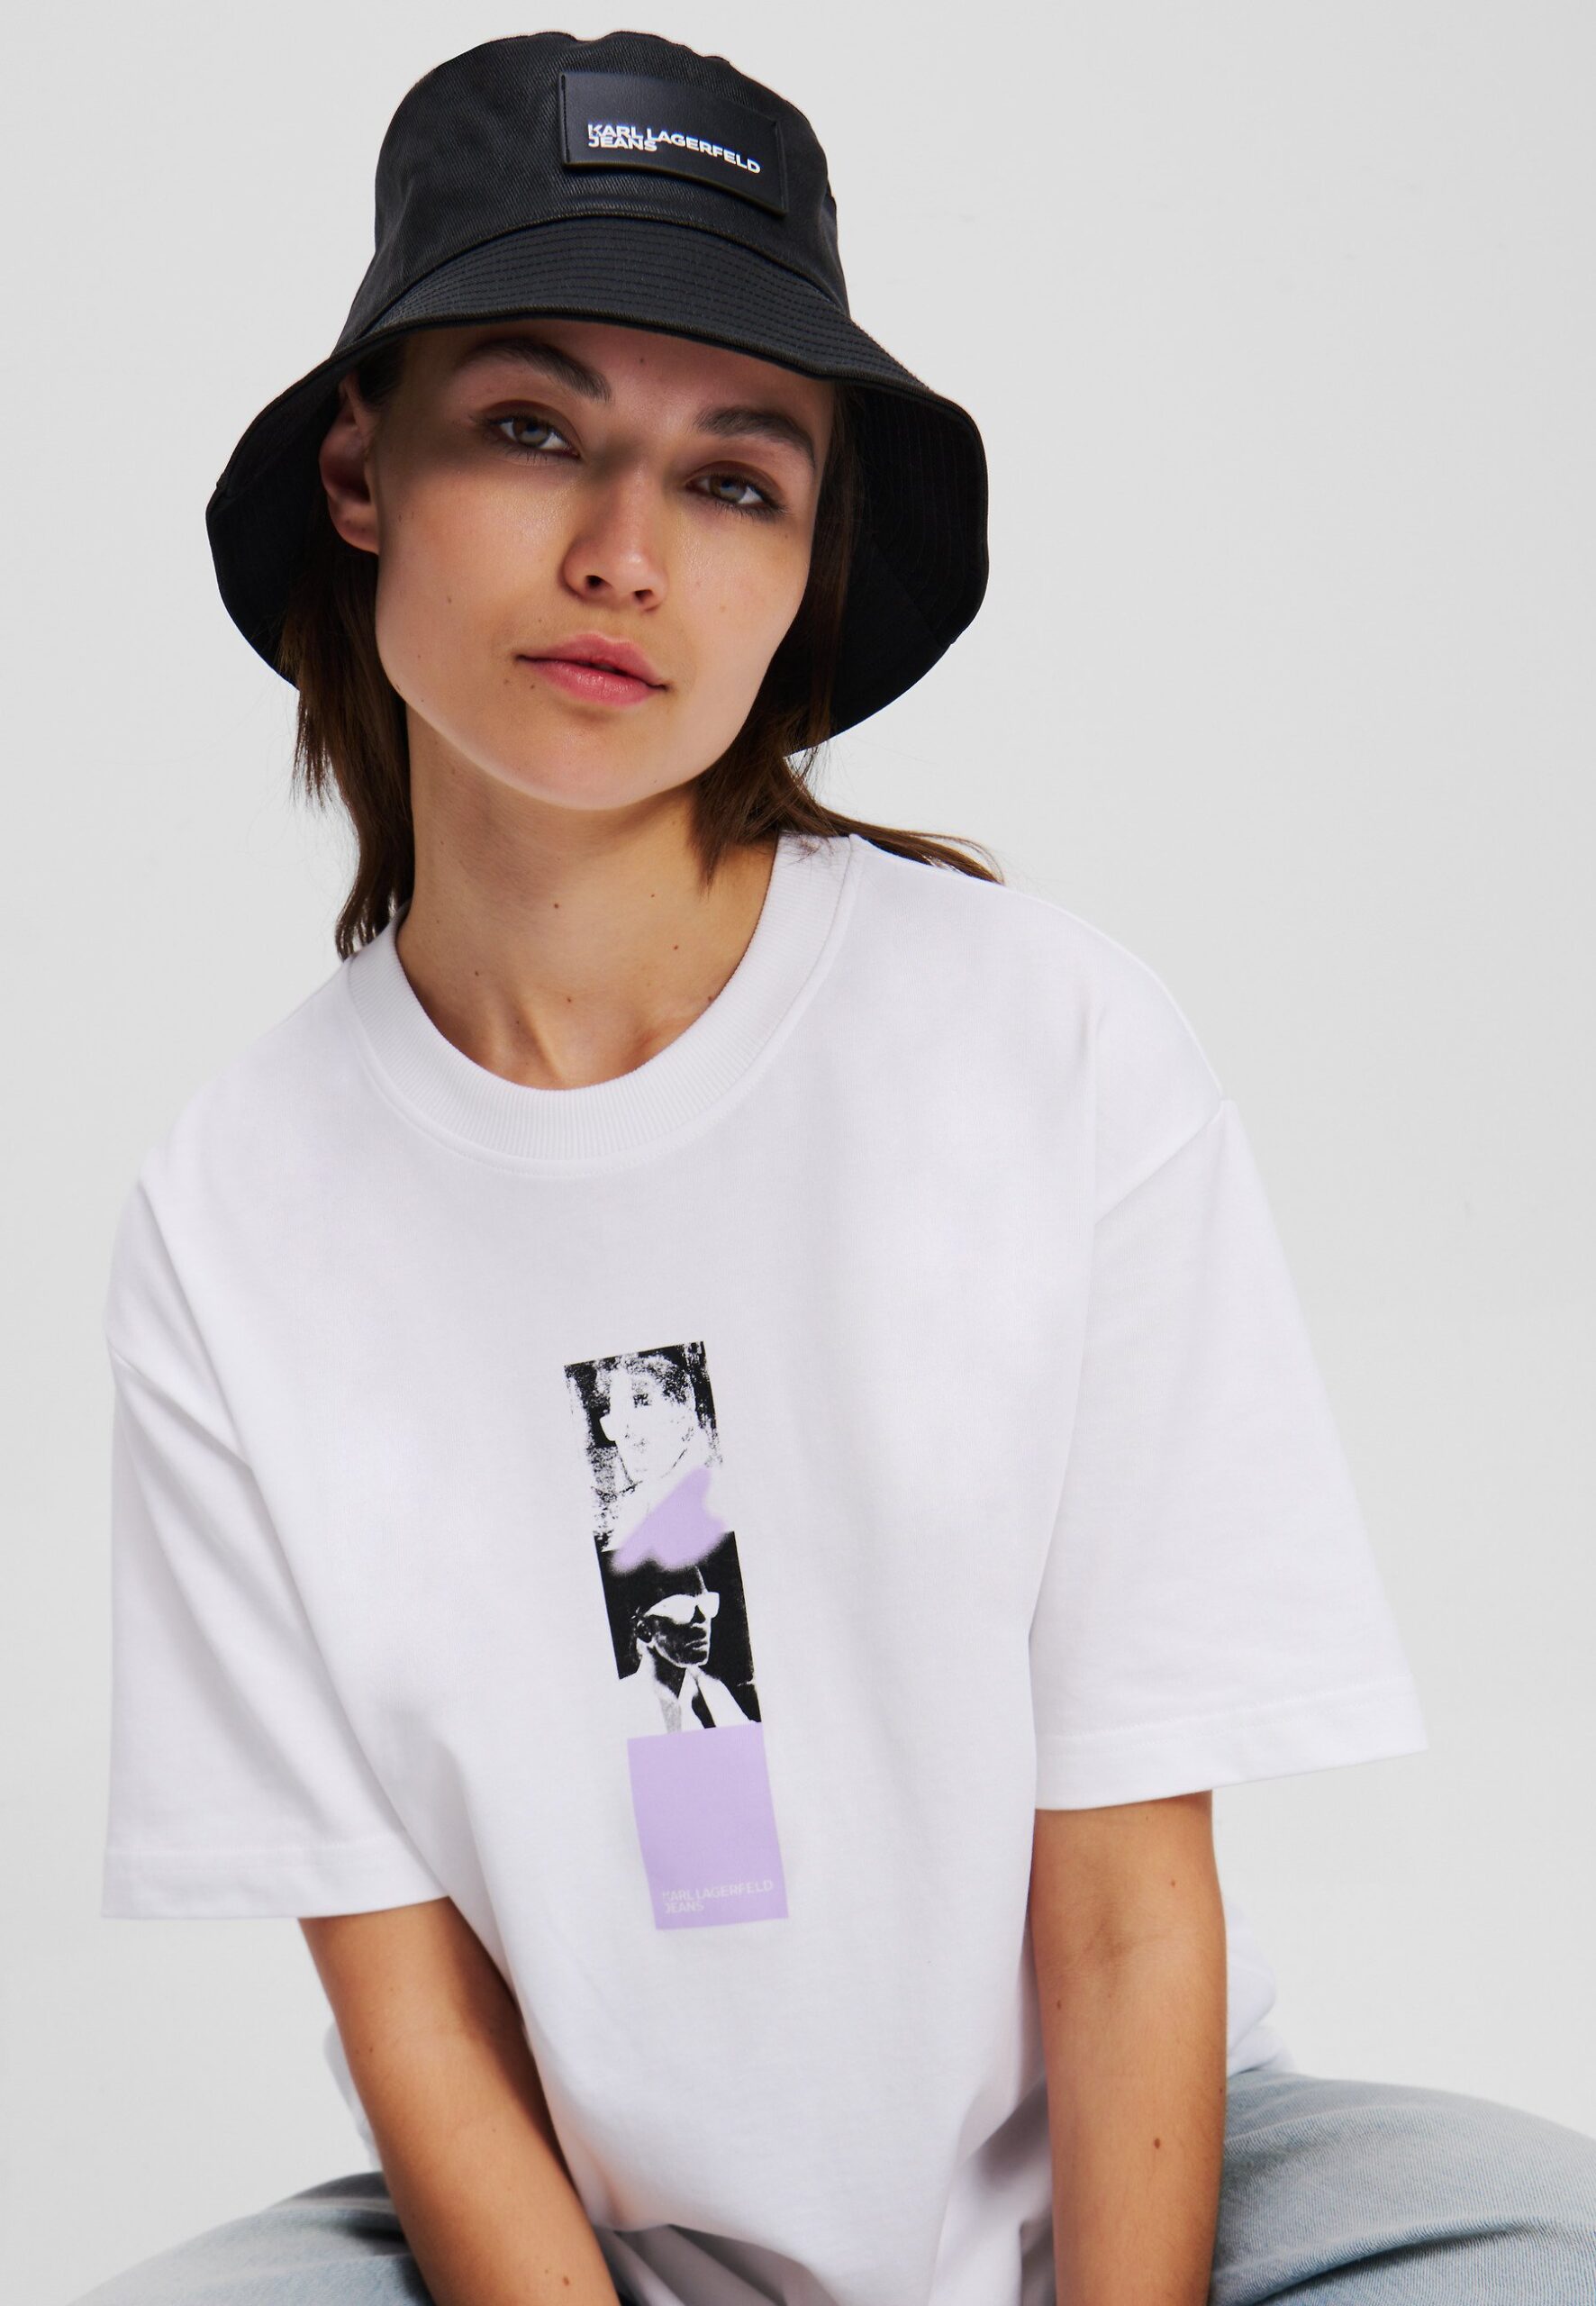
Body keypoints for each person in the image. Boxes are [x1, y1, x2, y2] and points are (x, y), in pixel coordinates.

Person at [78, 27, 1596, 2306]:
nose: (621, 556)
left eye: (733, 480)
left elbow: (1125, 1896)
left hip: (1126, 2185)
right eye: (531, 428)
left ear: (805, 567)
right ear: (361, 468)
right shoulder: (231, 1220)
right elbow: (419, 2019)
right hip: (586, 2223)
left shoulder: (1043, 1045)